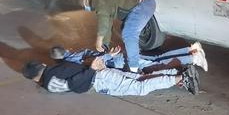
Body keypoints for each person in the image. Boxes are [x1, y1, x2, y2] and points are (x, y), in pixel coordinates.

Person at [22, 54, 200, 96]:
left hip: (99, 80)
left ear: (34, 78)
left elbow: (73, 84)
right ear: (42, 65)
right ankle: (179, 73)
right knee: (139, 79)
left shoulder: (49, 82)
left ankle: (181, 78)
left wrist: (92, 69)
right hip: (102, 73)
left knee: (139, 88)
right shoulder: (57, 66)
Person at [80, 0, 155, 73]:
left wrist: (98, 41)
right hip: (146, 2)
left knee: (129, 33)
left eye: (85, 7)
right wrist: (105, 46)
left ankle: (134, 70)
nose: (88, 9)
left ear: (85, 1)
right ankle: (136, 61)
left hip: (144, 4)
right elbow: (108, 23)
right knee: (127, 30)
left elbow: (103, 21)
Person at [50, 41, 208, 72]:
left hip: (117, 60)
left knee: (157, 62)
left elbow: (93, 61)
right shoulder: (76, 53)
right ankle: (190, 50)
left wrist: (108, 54)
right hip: (118, 57)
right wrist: (108, 52)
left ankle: (192, 57)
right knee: (156, 59)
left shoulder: (72, 60)